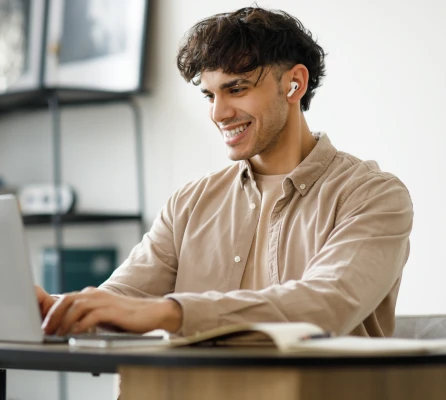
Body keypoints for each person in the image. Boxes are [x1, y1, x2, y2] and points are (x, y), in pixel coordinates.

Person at [37, 6, 413, 338]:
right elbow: (122, 299)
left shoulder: (374, 196)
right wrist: (51, 307)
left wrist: (172, 312)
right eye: (210, 95)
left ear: (294, 84)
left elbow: (328, 303)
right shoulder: (189, 203)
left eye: (236, 89)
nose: (218, 113)